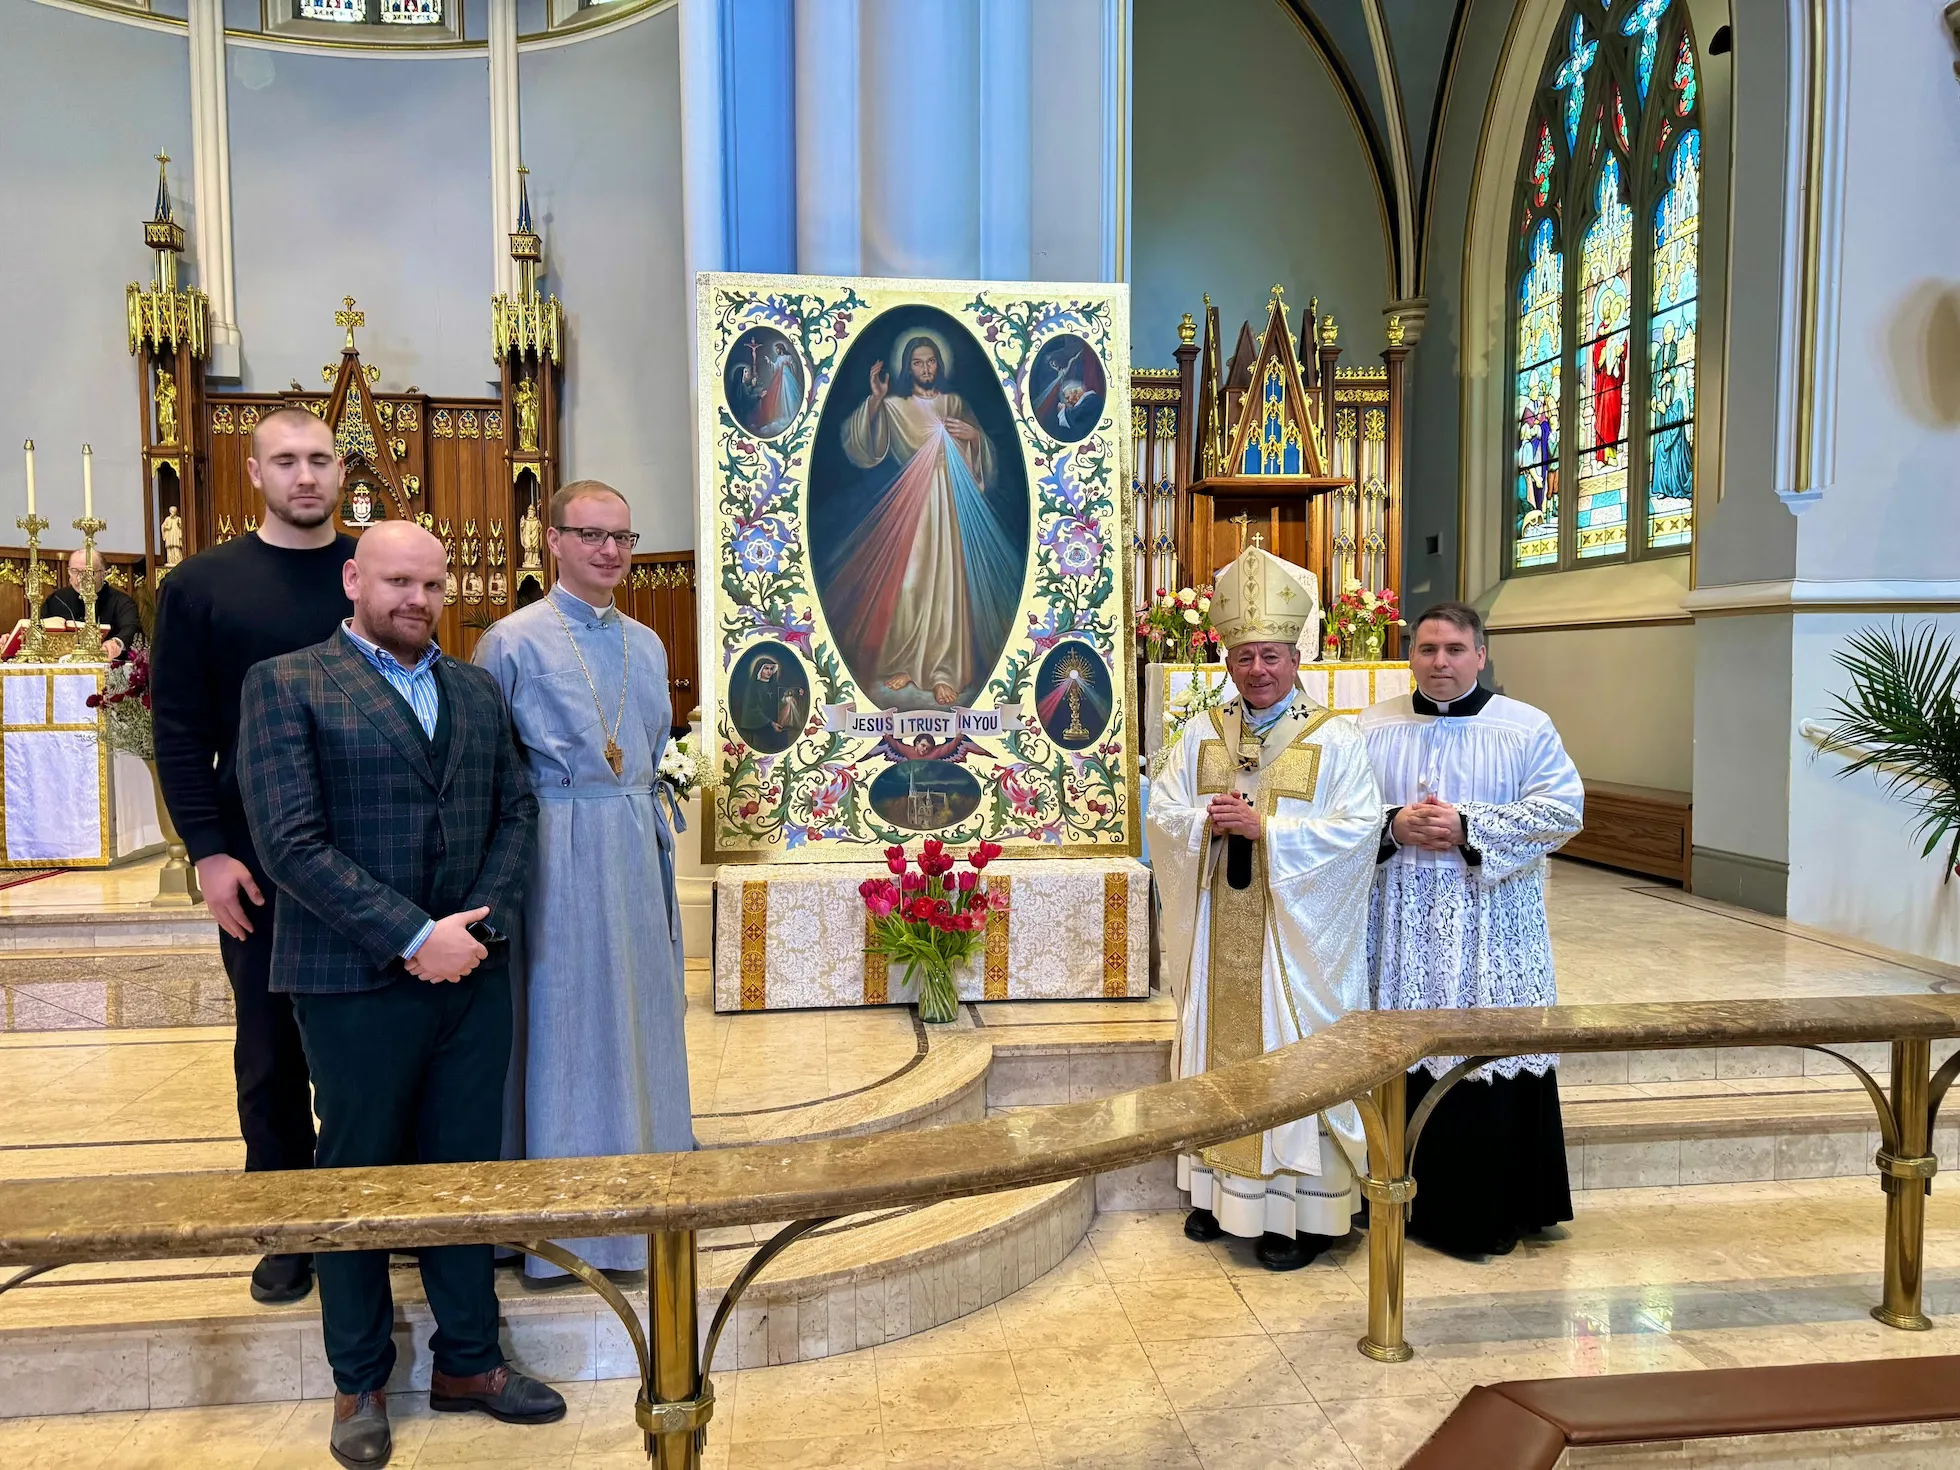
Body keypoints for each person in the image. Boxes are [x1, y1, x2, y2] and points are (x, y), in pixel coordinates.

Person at [237, 522, 558, 1468]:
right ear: (353, 580)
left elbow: (517, 809)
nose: (415, 599)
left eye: (430, 583)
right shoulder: (287, 684)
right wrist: (416, 937)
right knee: (359, 1182)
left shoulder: (473, 686)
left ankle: (468, 1360)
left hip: (473, 974)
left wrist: (478, 931)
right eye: (396, 581)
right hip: (351, 980)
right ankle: (360, 1380)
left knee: (463, 1172)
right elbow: (290, 843)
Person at [150, 405, 357, 1307]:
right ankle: (284, 1224)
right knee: (271, 1051)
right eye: (286, 461)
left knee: (369, 1051)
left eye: (318, 460)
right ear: (254, 473)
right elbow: (180, 728)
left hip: (370, 850)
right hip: (258, 858)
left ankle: (374, 1211)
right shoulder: (203, 586)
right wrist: (207, 851)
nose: (304, 476)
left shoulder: (373, 573)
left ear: (342, 471)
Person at [471, 481, 693, 1288]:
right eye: (591, 535)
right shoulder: (511, 640)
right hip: (554, 849)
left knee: (637, 1013)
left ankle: (649, 1191)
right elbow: (489, 765)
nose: (610, 551)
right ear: (552, 541)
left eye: (623, 537)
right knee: (558, 1017)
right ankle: (555, 1215)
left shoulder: (650, 641)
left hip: (634, 841)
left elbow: (651, 744)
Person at [1149, 546, 1383, 1271]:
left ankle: (1296, 1213)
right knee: (1218, 1044)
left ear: (1295, 657)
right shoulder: (1200, 734)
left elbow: (1359, 830)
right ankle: (1222, 1196)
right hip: (1222, 931)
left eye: (1272, 656)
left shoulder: (1335, 739)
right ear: (1227, 660)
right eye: (1245, 655)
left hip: (1295, 944)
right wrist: (1199, 824)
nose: (1258, 670)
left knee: (1292, 1054)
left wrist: (1269, 832)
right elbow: (1161, 812)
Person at [1358, 602, 1584, 1259]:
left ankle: (1500, 1208)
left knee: (1490, 1044)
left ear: (1480, 655)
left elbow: (1562, 808)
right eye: (1427, 649)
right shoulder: (1371, 728)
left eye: (1455, 649)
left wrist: (1467, 827)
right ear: (1411, 655)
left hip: (1493, 930)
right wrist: (1392, 825)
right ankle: (1404, 1198)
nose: (1440, 662)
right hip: (1401, 929)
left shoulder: (1525, 728)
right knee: (1408, 1052)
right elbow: (1339, 815)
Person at [832, 334, 1015, 707]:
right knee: (911, 583)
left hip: (953, 505)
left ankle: (943, 671)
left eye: (931, 361)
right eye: (918, 362)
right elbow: (861, 447)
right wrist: (875, 401)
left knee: (948, 587)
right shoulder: (897, 407)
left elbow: (986, 463)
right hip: (912, 507)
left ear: (939, 364)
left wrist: (976, 437)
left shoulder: (955, 403)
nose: (926, 368)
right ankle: (908, 663)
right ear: (907, 367)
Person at [41, 549, 143, 659]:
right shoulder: (57, 599)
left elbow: (131, 628)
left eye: (87, 573)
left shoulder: (121, 601)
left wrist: (116, 643)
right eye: (74, 571)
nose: (80, 579)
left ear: (103, 574)